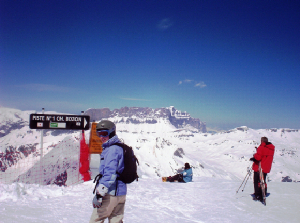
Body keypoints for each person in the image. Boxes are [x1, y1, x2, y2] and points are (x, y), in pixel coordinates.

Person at [90, 120, 126, 223]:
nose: (101, 137)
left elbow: (110, 174)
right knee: (116, 220)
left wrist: (100, 193)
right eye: (99, 134)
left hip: (111, 193)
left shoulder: (112, 150)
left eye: (104, 133)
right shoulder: (119, 147)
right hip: (121, 193)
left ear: (112, 132)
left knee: (96, 220)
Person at [250, 137, 275, 201]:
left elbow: (258, 157)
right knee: (263, 181)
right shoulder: (271, 148)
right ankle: (263, 192)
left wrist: (254, 156)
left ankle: (257, 194)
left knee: (256, 181)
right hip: (266, 168)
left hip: (259, 167)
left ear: (262, 141)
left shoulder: (261, 147)